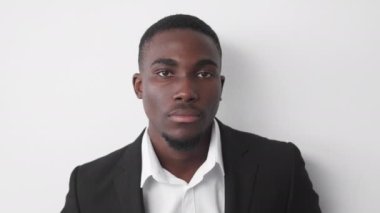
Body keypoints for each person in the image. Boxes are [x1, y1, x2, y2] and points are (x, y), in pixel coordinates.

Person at [61, 14, 321, 213]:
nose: (185, 91)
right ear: (139, 86)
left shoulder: (281, 168)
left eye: (204, 74)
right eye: (165, 73)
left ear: (220, 86)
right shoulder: (88, 187)